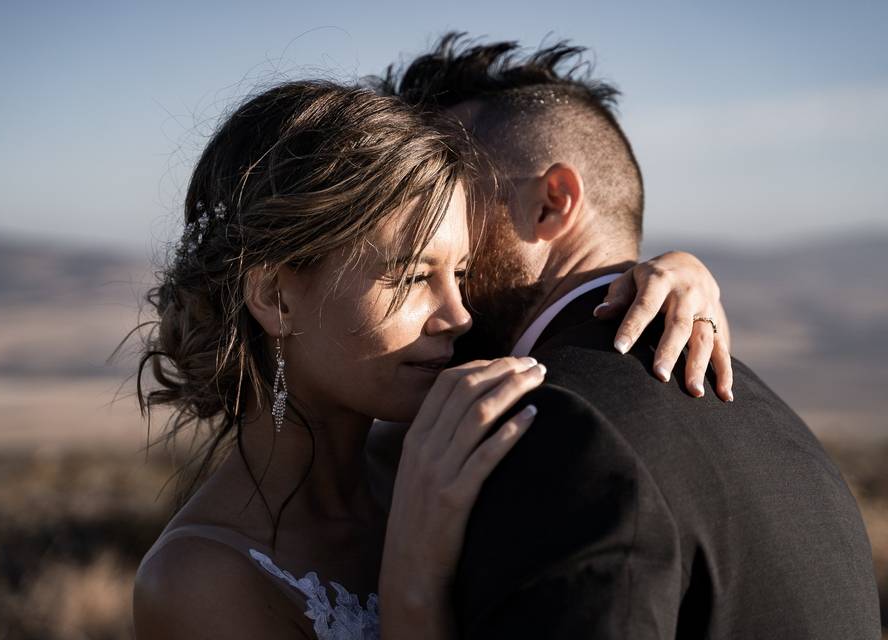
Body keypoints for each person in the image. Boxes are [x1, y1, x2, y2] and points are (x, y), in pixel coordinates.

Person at [132, 80, 735, 640]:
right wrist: (413, 586)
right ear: (276, 296)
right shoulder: (197, 580)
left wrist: (667, 276)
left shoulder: (436, 451)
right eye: (416, 276)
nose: (460, 315)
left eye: (462, 273)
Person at [376, 34, 882, 638]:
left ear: (551, 203)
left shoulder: (553, 429)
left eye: (449, 197)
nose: (427, 233)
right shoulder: (780, 425)